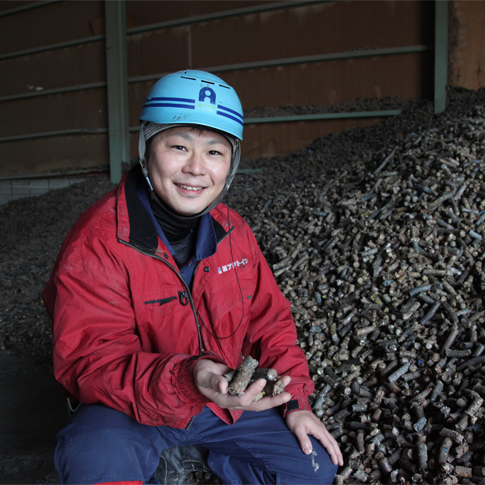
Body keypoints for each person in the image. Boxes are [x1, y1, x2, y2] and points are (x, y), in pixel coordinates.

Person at [42, 69, 343, 485]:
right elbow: (90, 364)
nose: (196, 169)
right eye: (179, 146)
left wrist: (297, 403)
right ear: (147, 147)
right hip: (128, 409)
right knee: (96, 464)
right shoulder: (97, 242)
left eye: (215, 152)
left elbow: (270, 323)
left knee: (313, 468)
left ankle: (197, 456)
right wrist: (189, 377)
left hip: (220, 403)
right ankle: (162, 452)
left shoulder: (233, 231)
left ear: (231, 163)